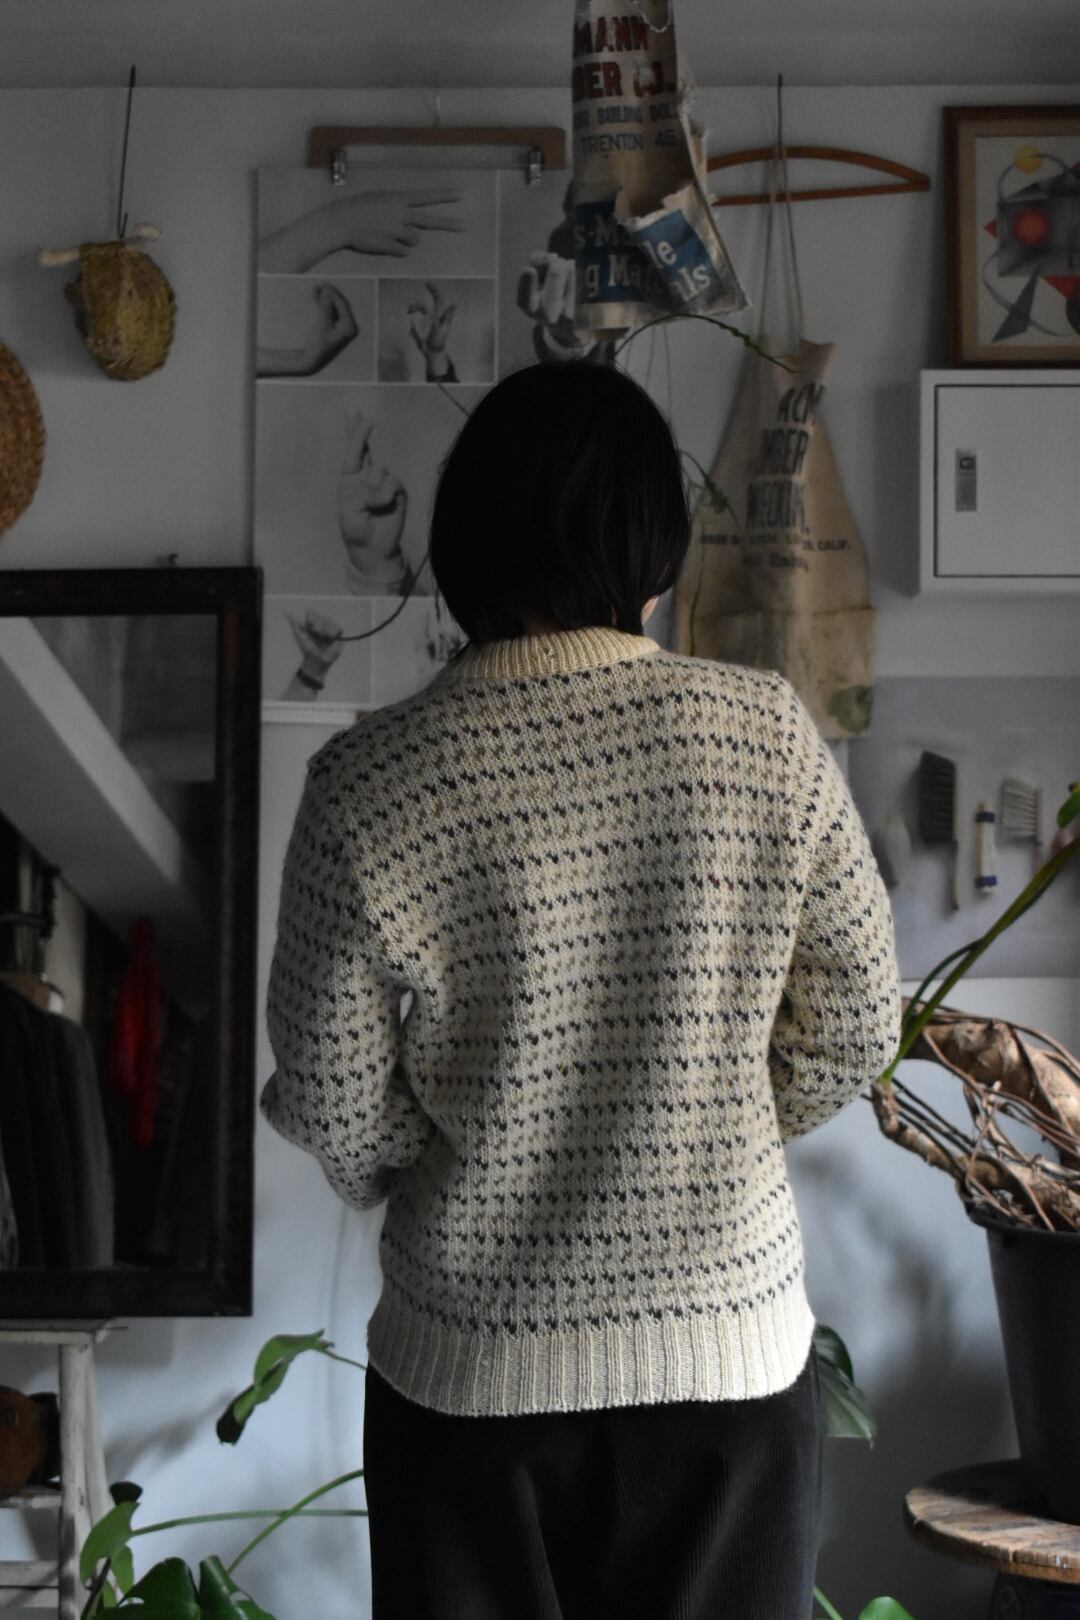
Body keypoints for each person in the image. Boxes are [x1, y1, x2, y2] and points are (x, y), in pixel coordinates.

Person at [262, 361, 901, 1620]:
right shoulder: (765, 738)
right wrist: (706, 1120)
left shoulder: (369, 785)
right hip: (725, 1362)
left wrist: (464, 1153)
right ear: (653, 555)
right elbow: (857, 1023)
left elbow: (335, 1104)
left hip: (470, 1383)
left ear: (460, 548)